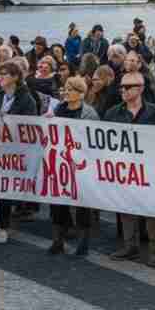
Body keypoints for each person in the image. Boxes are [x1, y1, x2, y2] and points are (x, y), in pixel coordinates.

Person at [104, 71, 155, 267]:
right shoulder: (112, 113)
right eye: (121, 87)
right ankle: (129, 246)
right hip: (124, 169)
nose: (123, 90)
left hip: (150, 169)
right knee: (126, 208)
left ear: (140, 88)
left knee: (152, 212)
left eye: (128, 87)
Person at [47, 75, 97, 256]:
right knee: (57, 203)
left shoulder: (89, 114)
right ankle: (57, 240)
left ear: (81, 94)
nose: (66, 92)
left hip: (81, 164)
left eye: (71, 89)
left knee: (82, 204)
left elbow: (94, 140)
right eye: (65, 89)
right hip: (60, 163)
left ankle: (83, 244)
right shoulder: (58, 109)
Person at [0, 58, 38, 245]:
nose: (0, 77)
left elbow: (30, 126)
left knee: (5, 190)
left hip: (14, 151)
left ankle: (3, 226)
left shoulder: (27, 100)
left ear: (15, 77)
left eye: (4, 74)